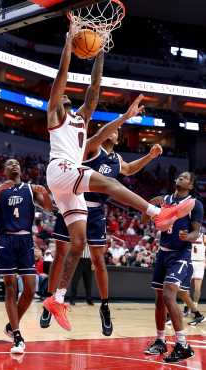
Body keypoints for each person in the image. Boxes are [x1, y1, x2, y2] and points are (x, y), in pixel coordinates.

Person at [43, 26, 195, 332]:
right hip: (59, 168)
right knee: (109, 183)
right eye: (68, 100)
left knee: (78, 242)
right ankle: (158, 214)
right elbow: (61, 78)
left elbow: (94, 89)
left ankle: (56, 298)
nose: (72, 102)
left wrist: (100, 51)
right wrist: (68, 45)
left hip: (69, 182)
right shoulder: (55, 113)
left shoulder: (82, 118)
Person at [41, 96, 163, 335]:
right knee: (60, 255)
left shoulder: (116, 159)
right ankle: (51, 299)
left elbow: (128, 170)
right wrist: (124, 118)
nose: (115, 133)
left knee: (99, 261)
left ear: (118, 137)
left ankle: (104, 307)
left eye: (118, 131)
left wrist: (149, 157)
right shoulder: (90, 147)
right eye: (112, 129)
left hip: (95, 214)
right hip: (73, 201)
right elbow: (98, 134)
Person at [0, 159, 52, 354]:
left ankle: (10, 326)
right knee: (10, 287)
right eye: (9, 164)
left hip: (25, 241)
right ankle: (17, 335)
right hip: (6, 240)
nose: (14, 165)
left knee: (31, 289)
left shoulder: (30, 189)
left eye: (16, 163)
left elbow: (48, 207)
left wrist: (45, 193)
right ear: (4, 170)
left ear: (20, 169)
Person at [144, 172, 204, 363]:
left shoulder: (194, 204)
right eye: (179, 176)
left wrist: (189, 237)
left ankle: (183, 345)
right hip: (163, 253)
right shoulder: (164, 200)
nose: (180, 178)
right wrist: (149, 208)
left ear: (191, 185)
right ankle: (160, 341)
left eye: (185, 177)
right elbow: (146, 220)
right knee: (159, 299)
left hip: (181, 255)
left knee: (170, 294)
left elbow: (196, 232)